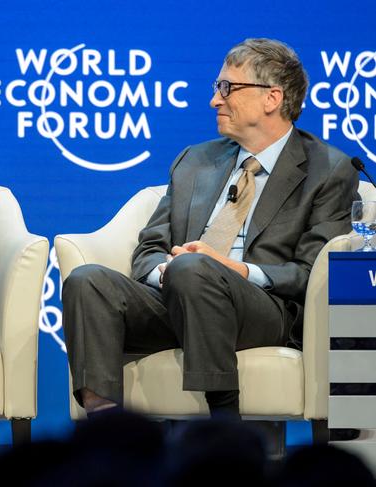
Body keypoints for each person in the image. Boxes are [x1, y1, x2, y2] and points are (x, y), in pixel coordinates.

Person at [62, 38, 359, 419]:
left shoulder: (328, 170)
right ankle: (107, 433)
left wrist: (236, 270)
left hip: (262, 310)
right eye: (217, 88)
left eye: (228, 88)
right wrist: (166, 271)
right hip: (179, 294)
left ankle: (223, 423)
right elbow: (150, 247)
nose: (215, 100)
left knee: (195, 268)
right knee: (87, 281)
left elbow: (312, 271)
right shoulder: (195, 160)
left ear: (272, 98)